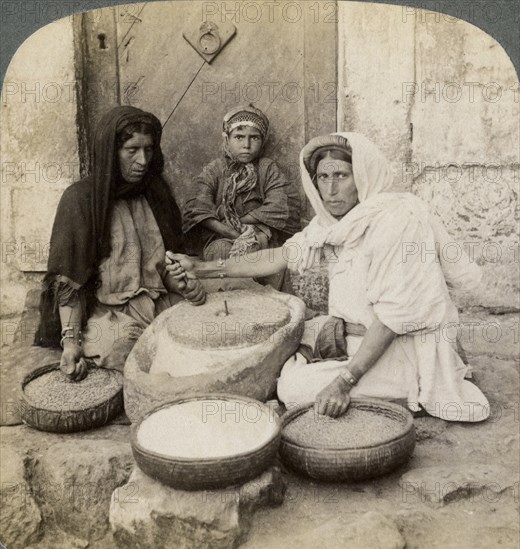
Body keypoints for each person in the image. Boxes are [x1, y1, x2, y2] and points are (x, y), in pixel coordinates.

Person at [169, 132, 489, 422]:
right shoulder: (336, 223)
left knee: (293, 389)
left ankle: (406, 391)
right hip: (356, 337)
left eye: (342, 175)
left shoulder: (396, 220)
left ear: (362, 176)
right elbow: (279, 256)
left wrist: (343, 383)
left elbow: (392, 319)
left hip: (402, 349)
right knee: (285, 347)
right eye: (323, 177)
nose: (331, 189)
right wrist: (204, 269)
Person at [35, 106, 205, 381]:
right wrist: (70, 342)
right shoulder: (80, 200)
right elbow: (69, 283)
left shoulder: (157, 193)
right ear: (110, 152)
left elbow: (169, 268)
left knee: (206, 333)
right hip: (111, 315)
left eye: (149, 149)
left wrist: (185, 285)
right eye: (132, 150)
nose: (143, 160)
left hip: (160, 303)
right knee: (123, 351)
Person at [182, 104, 300, 288]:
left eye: (254, 137)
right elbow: (197, 207)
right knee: (222, 252)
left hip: (260, 235)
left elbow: (280, 204)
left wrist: (244, 224)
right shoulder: (215, 169)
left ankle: (269, 303)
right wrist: (230, 231)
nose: (246, 145)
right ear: (227, 139)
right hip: (221, 236)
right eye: (239, 137)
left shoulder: (267, 168)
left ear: (262, 141)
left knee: (267, 256)